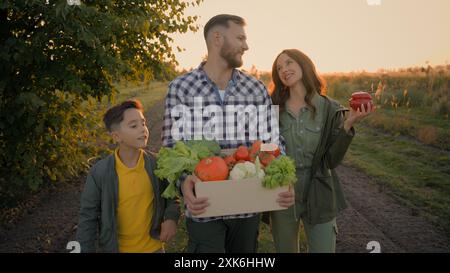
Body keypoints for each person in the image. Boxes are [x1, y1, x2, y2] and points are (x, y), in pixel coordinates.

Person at [161, 14, 295, 253]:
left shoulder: (256, 88)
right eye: (240, 37)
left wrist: (281, 174)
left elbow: (272, 141)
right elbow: (172, 146)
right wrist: (185, 181)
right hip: (204, 207)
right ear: (217, 38)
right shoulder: (181, 88)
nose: (246, 45)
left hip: (247, 204)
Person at [269, 49, 374, 253]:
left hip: (320, 189)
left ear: (303, 65)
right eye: (279, 67)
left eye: (289, 63)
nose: (284, 69)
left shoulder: (330, 108)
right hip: (283, 192)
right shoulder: (273, 108)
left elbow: (331, 161)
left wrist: (348, 124)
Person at [76, 99, 179, 253]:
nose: (143, 129)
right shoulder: (100, 173)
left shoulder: (157, 164)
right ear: (117, 136)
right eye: (134, 126)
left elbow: (172, 196)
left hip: (154, 248)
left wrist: (171, 218)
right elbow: (88, 217)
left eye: (143, 123)